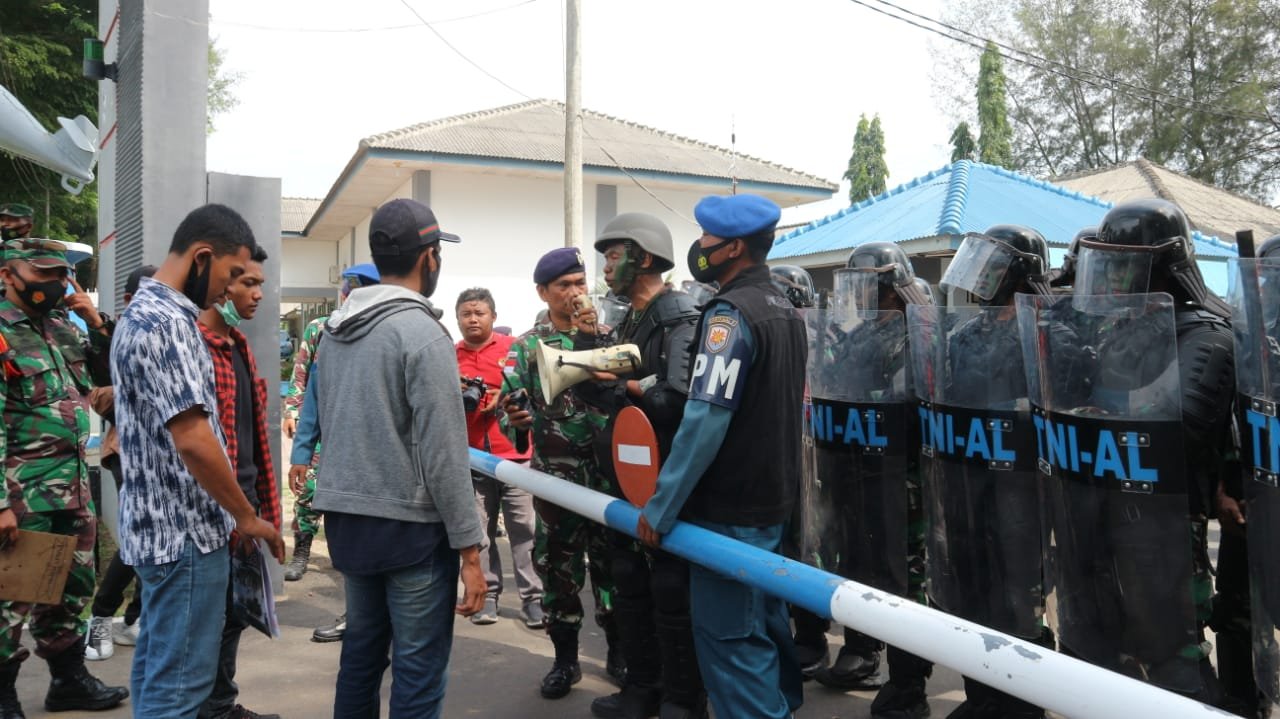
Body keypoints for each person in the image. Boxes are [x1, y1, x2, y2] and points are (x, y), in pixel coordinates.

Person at [309, 198, 485, 718]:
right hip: (411, 532)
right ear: (429, 257)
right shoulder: (422, 334)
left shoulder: (334, 332)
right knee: (418, 669)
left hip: (350, 524)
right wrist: (471, 552)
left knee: (361, 656)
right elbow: (444, 453)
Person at [635, 193, 806, 719]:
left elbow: (704, 420)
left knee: (733, 645)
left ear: (732, 248)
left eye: (707, 239)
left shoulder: (728, 317)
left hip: (729, 514)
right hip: (774, 505)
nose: (700, 246)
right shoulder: (784, 308)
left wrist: (659, 508)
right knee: (770, 630)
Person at [111, 204, 285, 718]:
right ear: (202, 257)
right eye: (232, 275)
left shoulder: (143, 314)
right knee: (179, 689)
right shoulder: (167, 324)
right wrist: (246, 516)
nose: (228, 291)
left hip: (158, 532)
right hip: (183, 535)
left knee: (158, 669)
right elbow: (192, 437)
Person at [1058, 197, 1234, 704]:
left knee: (1173, 660)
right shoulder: (1125, 332)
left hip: (1165, 528)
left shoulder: (1207, 335)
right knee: (1112, 653)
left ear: (1159, 265)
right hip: (1103, 511)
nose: (1110, 279)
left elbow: (1176, 426)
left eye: (1121, 264)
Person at [576, 213, 706, 719]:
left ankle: (681, 699)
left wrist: (615, 384)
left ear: (645, 257)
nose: (606, 265)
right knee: (627, 582)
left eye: (614, 254)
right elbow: (606, 391)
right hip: (627, 479)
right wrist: (586, 355)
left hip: (665, 481)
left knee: (671, 593)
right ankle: (642, 688)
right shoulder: (629, 319)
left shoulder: (679, 317)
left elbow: (675, 400)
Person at [929, 225, 1058, 719]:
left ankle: (1022, 704)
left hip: (1022, 485)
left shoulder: (1049, 332)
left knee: (1017, 597)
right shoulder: (965, 331)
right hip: (970, 477)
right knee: (973, 589)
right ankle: (982, 696)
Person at [0, 237, 128, 717]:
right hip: (24, 493)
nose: (55, 284)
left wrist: (95, 324)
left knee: (70, 587)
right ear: (8, 276)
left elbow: (110, 374)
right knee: (12, 597)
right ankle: (3, 694)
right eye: (43, 275)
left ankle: (69, 681)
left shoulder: (61, 327)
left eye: (60, 274)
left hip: (73, 486)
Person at [501, 247, 624, 699]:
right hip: (557, 482)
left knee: (612, 567)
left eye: (579, 283)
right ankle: (564, 660)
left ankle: (618, 650)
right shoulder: (528, 346)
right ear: (543, 292)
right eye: (563, 286)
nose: (575, 294)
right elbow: (507, 404)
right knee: (558, 571)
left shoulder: (610, 335)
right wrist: (514, 419)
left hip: (609, 481)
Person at [196, 247, 282, 719]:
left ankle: (220, 703)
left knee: (234, 615)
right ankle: (205, 706)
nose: (258, 294)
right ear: (219, 282)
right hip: (215, 510)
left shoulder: (238, 345)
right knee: (206, 619)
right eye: (247, 282)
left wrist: (264, 512)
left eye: (260, 284)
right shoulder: (193, 346)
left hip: (245, 504)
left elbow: (252, 438)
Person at [284, 264, 380, 646]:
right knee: (310, 495)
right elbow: (306, 382)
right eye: (347, 289)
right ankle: (303, 552)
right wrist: (299, 435)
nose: (348, 296)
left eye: (356, 290)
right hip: (328, 435)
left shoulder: (385, 330)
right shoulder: (322, 330)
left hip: (369, 449)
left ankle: (362, 607)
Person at [454, 287, 543, 628]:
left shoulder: (514, 349)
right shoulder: (449, 356)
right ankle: (487, 594)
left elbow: (535, 392)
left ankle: (532, 598)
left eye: (479, 313)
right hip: (472, 457)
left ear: (493, 316)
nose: (473, 319)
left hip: (515, 456)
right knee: (479, 530)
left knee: (524, 528)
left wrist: (503, 398)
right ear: (458, 318)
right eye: (466, 313)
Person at [84, 264, 157, 661]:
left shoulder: (164, 329)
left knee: (157, 540)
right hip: (127, 451)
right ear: (129, 301)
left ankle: (135, 618)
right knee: (135, 539)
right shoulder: (112, 335)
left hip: (165, 456)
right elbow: (99, 394)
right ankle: (99, 621)